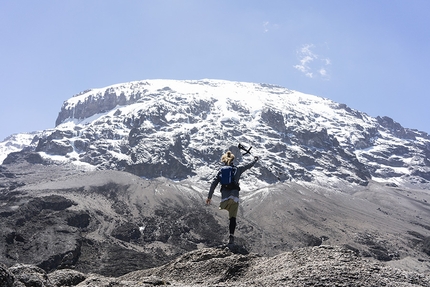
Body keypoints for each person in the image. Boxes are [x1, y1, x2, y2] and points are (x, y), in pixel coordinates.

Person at [206, 150, 258, 245]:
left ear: (223, 161)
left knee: (224, 211)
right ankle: (231, 236)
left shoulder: (221, 171)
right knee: (232, 218)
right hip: (234, 196)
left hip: (225, 198)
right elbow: (248, 166)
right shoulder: (237, 169)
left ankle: (228, 235)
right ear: (233, 160)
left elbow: (213, 184)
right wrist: (255, 160)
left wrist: (209, 197)